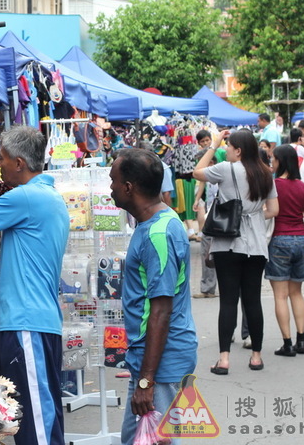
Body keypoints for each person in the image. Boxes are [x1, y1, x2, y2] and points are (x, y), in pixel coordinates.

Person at [0, 126, 69, 445]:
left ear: (19, 163)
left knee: (35, 420)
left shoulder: (26, 197)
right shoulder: (49, 197)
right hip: (35, 322)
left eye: (2, 159)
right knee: (42, 412)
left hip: (26, 323)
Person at [109, 148, 197, 445]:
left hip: (161, 363)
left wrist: (146, 381)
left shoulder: (158, 234)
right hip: (149, 360)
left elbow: (161, 310)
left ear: (129, 188)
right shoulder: (157, 221)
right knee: (135, 439)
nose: (110, 187)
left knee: (159, 440)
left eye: (113, 180)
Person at [194, 129, 278, 374]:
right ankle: (256, 357)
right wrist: (251, 214)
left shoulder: (225, 169)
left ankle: (224, 360)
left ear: (238, 150)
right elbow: (273, 210)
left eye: (228, 146)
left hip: (228, 243)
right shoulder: (265, 173)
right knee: (253, 300)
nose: (225, 150)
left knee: (228, 301)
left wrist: (213, 144)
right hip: (256, 245)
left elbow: (196, 171)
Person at [266, 145, 304, 356]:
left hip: (279, 239)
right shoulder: (303, 188)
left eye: (273, 159)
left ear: (280, 161)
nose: (272, 163)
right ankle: (301, 339)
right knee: (297, 292)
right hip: (302, 239)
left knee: (280, 295)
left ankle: (287, 343)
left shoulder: (273, 185)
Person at [192, 148, 218, 298]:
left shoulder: (218, 176)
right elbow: (202, 182)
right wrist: (197, 200)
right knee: (207, 253)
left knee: (207, 252)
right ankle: (208, 288)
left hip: (215, 221)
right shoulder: (210, 176)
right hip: (213, 219)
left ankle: (208, 288)